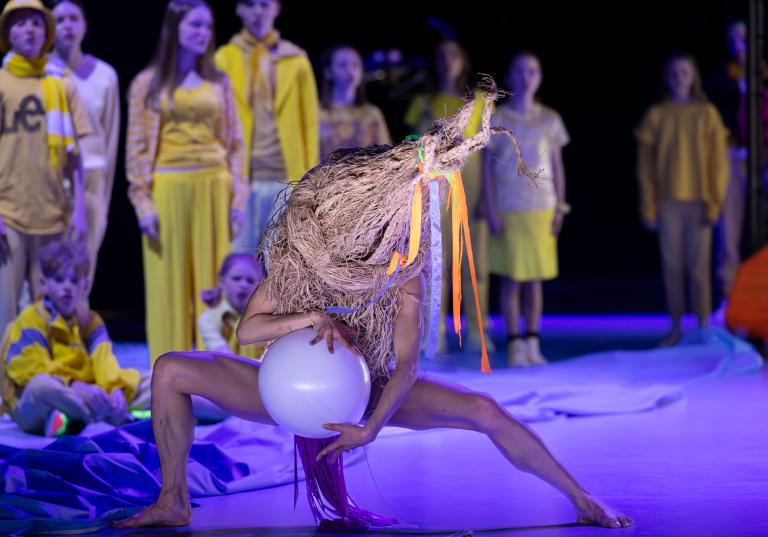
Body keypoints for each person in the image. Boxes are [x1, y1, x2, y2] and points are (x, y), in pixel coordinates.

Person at [113, 90, 633, 530]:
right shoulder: (305, 257)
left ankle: (582, 498)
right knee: (170, 369)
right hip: (284, 390)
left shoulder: (405, 270)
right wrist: (310, 319)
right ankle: (173, 499)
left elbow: (406, 364)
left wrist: (373, 428)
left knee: (484, 411)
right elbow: (249, 330)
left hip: (369, 393)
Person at [126, 0, 247, 363]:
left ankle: (223, 373)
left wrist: (237, 198)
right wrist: (143, 203)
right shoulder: (148, 83)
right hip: (169, 188)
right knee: (169, 288)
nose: (203, 34)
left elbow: (236, 143)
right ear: (175, 29)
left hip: (214, 186)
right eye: (195, 26)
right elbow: (136, 147)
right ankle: (170, 373)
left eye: (207, 27)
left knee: (216, 285)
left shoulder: (219, 81)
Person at [0, 0, 89, 336]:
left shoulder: (61, 83)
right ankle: (7, 386)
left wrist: (79, 208)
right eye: (20, 23)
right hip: (8, 214)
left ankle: (47, 376)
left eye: (36, 23)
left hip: (52, 212)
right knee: (7, 308)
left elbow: (76, 156)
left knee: (49, 307)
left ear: (47, 32)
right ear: (7, 32)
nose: (29, 30)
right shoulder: (2, 81)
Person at [0, 240, 144, 436]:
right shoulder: (31, 318)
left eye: (74, 280)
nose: (67, 287)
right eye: (59, 280)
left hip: (89, 392)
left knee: (152, 380)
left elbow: (105, 362)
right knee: (41, 387)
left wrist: (115, 388)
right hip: (38, 402)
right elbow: (28, 369)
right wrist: (73, 385)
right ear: (44, 284)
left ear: (85, 285)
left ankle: (74, 418)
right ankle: (105, 416)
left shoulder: (90, 321)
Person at [636, 53, 730, 346]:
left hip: (699, 200)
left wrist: (715, 202)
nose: (680, 78)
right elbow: (646, 167)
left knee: (699, 267)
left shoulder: (707, 114)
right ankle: (675, 326)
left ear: (694, 77)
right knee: (672, 266)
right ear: (667, 77)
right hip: (667, 201)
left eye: (685, 73)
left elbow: (719, 163)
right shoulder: (657, 115)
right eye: (675, 73)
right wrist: (649, 205)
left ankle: (702, 326)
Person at [404, 38, 491, 352]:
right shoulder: (424, 102)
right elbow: (412, 151)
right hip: (434, 196)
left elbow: (488, 156)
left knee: (474, 266)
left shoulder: (478, 101)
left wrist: (488, 200)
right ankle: (434, 334)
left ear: (463, 59)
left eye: (453, 53)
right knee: (435, 264)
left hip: (471, 193)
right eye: (441, 55)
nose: (447, 60)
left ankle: (478, 334)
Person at [483, 51, 569, 366]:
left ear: (540, 77)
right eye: (519, 70)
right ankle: (514, 342)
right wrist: (490, 207)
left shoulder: (550, 119)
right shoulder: (499, 119)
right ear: (510, 77)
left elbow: (557, 165)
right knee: (511, 278)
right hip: (509, 207)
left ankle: (533, 339)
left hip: (541, 208)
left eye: (532, 70)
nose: (525, 76)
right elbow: (488, 168)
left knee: (535, 278)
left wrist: (560, 207)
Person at [215, 0, 319, 253]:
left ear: (277, 8)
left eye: (264, 4)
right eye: (250, 4)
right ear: (238, 9)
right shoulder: (223, 59)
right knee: (238, 259)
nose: (258, 12)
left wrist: (307, 182)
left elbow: (309, 126)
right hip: (241, 179)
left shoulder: (296, 61)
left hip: (285, 177)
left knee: (280, 260)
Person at [50, 0, 119, 293]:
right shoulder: (41, 73)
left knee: (83, 261)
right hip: (49, 177)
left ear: (85, 25)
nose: (67, 25)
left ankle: (77, 331)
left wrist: (102, 193)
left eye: (74, 18)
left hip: (91, 176)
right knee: (49, 261)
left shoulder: (105, 75)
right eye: (60, 19)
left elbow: (110, 136)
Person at [318, 44, 390, 161]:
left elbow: (387, 156)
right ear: (328, 72)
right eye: (342, 65)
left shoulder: (372, 113)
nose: (350, 70)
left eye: (355, 65)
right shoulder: (317, 114)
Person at [198, 252, 265, 360]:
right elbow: (224, 358)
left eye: (250, 281)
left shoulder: (264, 320)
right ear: (222, 281)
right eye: (237, 278)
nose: (243, 285)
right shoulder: (209, 319)